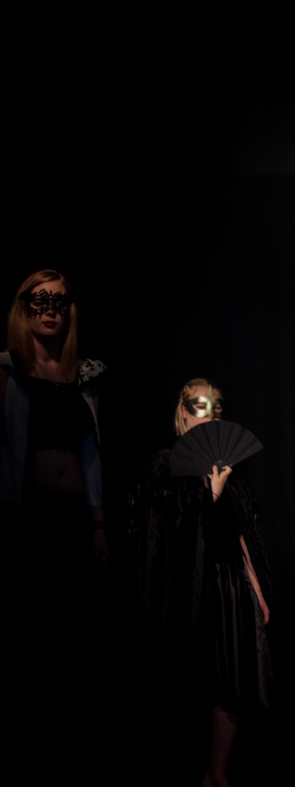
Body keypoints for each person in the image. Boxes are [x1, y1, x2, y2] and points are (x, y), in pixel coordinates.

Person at [130, 378, 272, 787]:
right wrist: (209, 492)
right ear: (183, 411)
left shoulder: (232, 466)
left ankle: (216, 772)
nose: (208, 413)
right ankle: (201, 772)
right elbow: (164, 536)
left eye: (215, 406)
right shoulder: (166, 465)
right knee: (203, 679)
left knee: (237, 680)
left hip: (232, 584)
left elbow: (241, 533)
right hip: (194, 587)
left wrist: (256, 586)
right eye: (198, 405)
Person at [1, 269, 109, 763]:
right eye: (39, 300)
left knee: (72, 639)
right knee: (31, 637)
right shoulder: (9, 371)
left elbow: (92, 456)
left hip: (73, 524)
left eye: (59, 302)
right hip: (27, 520)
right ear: (24, 308)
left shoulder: (84, 378)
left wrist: (98, 523)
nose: (49, 310)